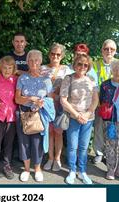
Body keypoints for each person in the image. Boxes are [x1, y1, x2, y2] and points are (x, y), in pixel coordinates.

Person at [15, 49, 54, 182]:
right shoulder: (22, 78)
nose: (33, 63)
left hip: (39, 114)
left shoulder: (46, 79)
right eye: (31, 60)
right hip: (24, 113)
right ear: (27, 62)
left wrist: (44, 103)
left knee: (37, 143)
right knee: (24, 142)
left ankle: (37, 169)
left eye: (36, 60)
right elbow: (17, 99)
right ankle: (26, 169)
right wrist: (31, 98)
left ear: (41, 61)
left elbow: (51, 98)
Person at [60, 53, 99, 184]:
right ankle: (72, 170)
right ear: (74, 64)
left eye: (85, 65)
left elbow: (95, 99)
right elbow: (63, 100)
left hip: (88, 119)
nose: (82, 66)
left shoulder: (92, 79)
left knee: (83, 147)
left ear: (88, 67)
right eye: (80, 64)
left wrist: (87, 114)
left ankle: (82, 172)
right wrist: (77, 115)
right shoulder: (68, 79)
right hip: (73, 118)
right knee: (72, 146)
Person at [92, 39, 119, 164]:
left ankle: (110, 153)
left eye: (112, 49)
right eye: (106, 48)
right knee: (98, 128)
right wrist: (97, 102)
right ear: (102, 50)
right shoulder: (95, 64)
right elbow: (92, 84)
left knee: (112, 130)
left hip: (115, 105)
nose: (109, 51)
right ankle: (99, 153)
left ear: (115, 51)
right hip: (100, 103)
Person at [41, 43, 72, 172]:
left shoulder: (67, 70)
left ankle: (58, 159)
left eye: (58, 54)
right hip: (47, 106)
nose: (55, 56)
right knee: (49, 132)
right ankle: (50, 158)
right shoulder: (42, 69)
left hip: (60, 106)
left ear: (62, 56)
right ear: (49, 54)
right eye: (53, 53)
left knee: (59, 133)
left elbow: (71, 87)